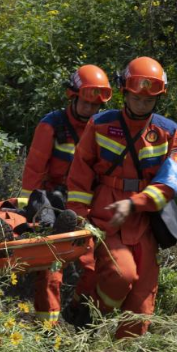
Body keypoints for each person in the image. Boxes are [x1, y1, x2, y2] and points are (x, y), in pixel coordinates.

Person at [64, 56, 177, 339]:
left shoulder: (169, 132)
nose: (143, 105)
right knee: (121, 276)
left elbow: (169, 181)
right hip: (108, 214)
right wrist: (78, 217)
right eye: (137, 98)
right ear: (125, 92)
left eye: (149, 100)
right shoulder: (100, 125)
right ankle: (86, 317)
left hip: (145, 217)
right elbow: (80, 173)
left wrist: (135, 203)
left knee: (142, 300)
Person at [19, 65, 112, 323]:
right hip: (53, 202)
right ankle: (46, 327)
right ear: (73, 96)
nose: (90, 110)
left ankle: (78, 311)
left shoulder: (103, 128)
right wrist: (33, 210)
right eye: (85, 103)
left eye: (96, 106)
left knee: (93, 264)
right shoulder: (52, 126)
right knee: (52, 265)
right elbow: (35, 170)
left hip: (87, 201)